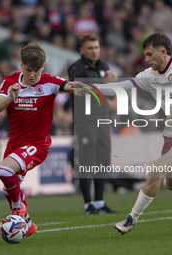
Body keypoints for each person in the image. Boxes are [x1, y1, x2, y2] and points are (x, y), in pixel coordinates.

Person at [75, 32, 172, 234]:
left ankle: (131, 219)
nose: (146, 59)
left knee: (155, 171)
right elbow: (120, 87)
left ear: (163, 52)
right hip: (171, 137)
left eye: (149, 54)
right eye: (145, 55)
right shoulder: (148, 76)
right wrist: (91, 88)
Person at [0, 43, 76, 238]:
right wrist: (10, 97)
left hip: (38, 145)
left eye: (36, 71)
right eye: (28, 70)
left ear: (43, 67)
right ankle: (28, 224)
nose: (33, 75)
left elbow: (70, 86)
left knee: (4, 170)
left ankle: (19, 212)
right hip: (15, 144)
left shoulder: (49, 82)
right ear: (21, 65)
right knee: (10, 186)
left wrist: (97, 89)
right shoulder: (9, 82)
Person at [68, 34, 117, 215]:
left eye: (96, 47)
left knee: (104, 161)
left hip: (103, 119)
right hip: (86, 121)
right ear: (82, 50)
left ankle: (99, 202)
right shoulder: (76, 68)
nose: (94, 51)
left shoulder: (104, 67)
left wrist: (113, 84)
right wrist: (104, 83)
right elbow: (80, 90)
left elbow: (111, 95)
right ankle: (88, 204)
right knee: (87, 161)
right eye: (90, 48)